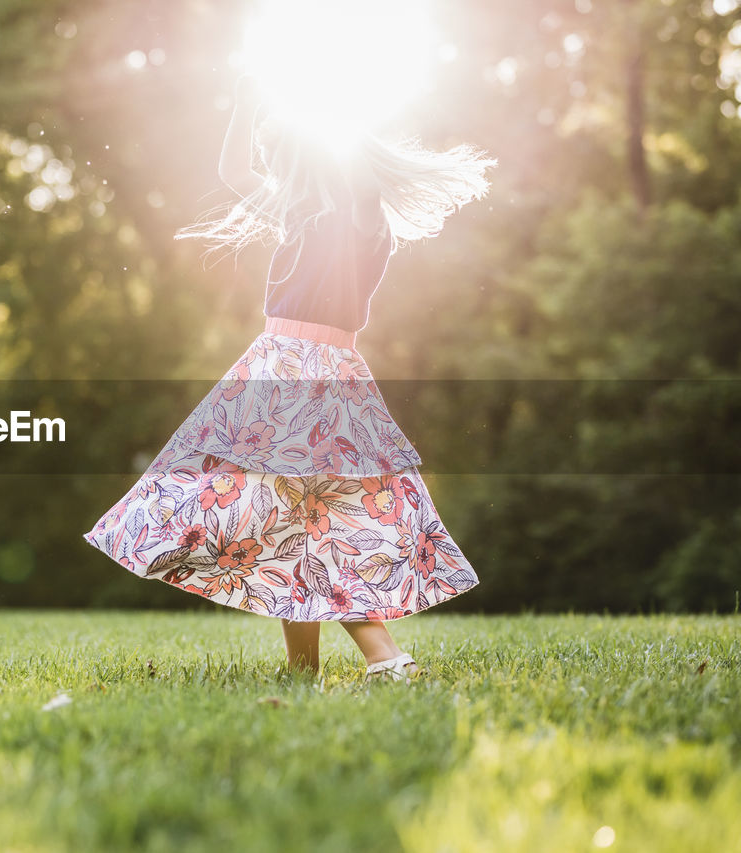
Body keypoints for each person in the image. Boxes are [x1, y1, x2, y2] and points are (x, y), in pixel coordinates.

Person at [82, 74, 497, 682]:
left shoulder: (328, 212)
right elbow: (241, 173)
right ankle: (305, 668)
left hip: (289, 370)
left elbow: (240, 173)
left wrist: (255, 102)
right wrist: (259, 107)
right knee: (298, 515)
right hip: (334, 373)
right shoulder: (348, 217)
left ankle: (383, 655)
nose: (271, 163)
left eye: (278, 152)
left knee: (308, 515)